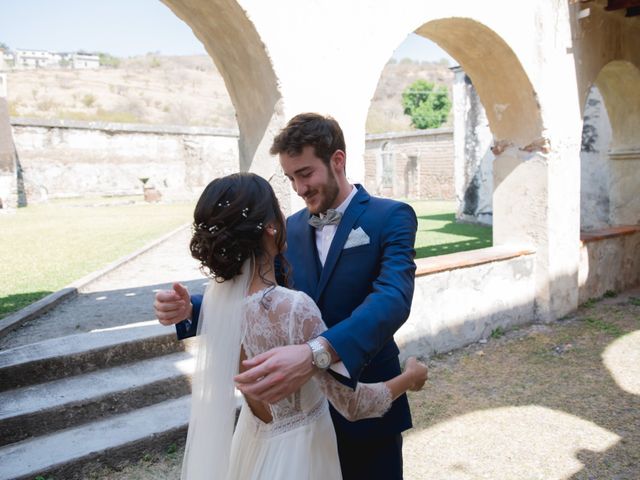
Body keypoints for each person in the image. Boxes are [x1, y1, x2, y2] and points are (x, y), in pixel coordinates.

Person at [156, 113, 419, 479]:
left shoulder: (391, 216)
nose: (298, 188)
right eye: (291, 177)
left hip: (364, 404)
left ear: (337, 161)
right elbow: (259, 294)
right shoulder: (288, 228)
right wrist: (192, 308)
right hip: (298, 426)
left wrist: (319, 351)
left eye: (306, 173)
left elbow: (392, 297)